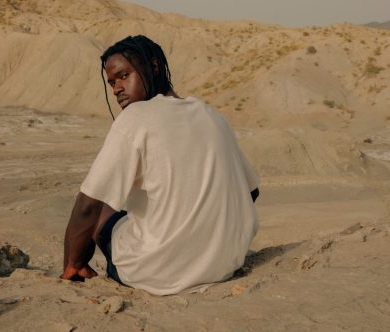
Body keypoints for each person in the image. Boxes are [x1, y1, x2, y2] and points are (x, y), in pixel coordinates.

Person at [61, 35, 260, 295]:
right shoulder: (212, 115)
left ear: (153, 67)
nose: (116, 88)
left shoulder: (136, 117)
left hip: (156, 274)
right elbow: (251, 192)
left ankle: (76, 267)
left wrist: (71, 262)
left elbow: (88, 206)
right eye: (111, 82)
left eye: (123, 75)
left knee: (102, 205)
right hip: (225, 264)